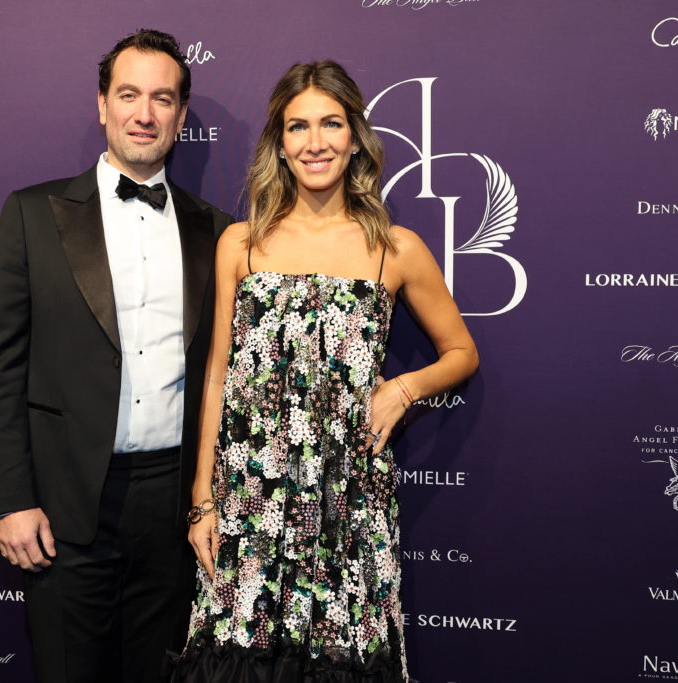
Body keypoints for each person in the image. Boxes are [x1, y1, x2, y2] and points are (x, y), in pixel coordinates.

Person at [168, 61, 479, 681]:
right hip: (252, 496)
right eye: (298, 127)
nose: (316, 143)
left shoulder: (396, 247)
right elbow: (216, 375)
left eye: (331, 124)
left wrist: (403, 388)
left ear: (355, 135)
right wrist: (203, 500)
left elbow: (462, 352)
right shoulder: (242, 242)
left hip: (348, 497)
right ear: (279, 145)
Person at [0, 29, 233, 683]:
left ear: (180, 115)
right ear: (101, 105)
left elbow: (224, 376)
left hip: (174, 508)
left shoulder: (220, 231)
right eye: (129, 94)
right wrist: (11, 500)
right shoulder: (32, 214)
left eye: (162, 98)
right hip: (63, 508)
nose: (144, 113)